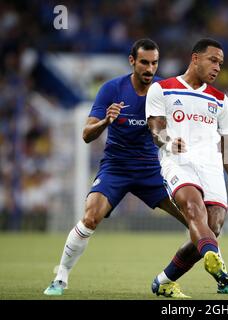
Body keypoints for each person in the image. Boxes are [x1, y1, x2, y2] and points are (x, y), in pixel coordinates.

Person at [43, 39, 190, 297]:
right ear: (132, 61)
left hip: (150, 170)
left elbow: (170, 131)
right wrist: (105, 122)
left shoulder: (164, 91)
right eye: (144, 62)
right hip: (116, 167)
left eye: (154, 63)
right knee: (90, 217)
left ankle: (220, 279)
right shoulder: (112, 89)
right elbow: (86, 134)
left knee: (196, 219)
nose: (149, 68)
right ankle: (60, 278)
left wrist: (173, 141)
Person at [146, 38, 228, 296]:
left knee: (212, 227)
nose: (218, 67)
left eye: (221, 63)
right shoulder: (162, 89)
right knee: (194, 211)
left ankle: (163, 281)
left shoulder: (220, 100)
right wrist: (169, 141)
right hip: (177, 162)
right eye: (213, 60)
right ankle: (222, 275)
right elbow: (155, 130)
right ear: (195, 58)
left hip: (211, 168)